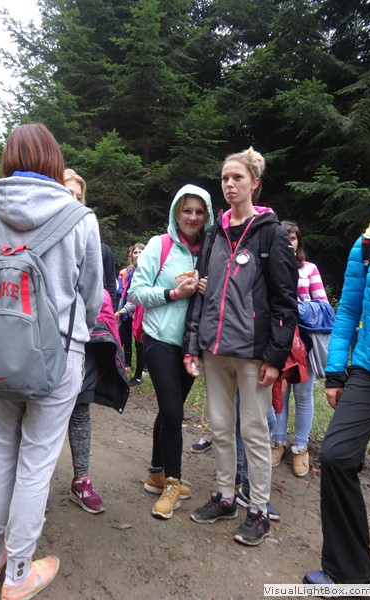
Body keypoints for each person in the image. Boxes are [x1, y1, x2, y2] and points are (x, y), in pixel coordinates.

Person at [0, 123, 103, 599]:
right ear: (53, 160)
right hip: (58, 355)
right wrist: (76, 328)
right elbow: (91, 295)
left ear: (9, 159)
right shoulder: (80, 218)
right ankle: (19, 573)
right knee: (36, 461)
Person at [183, 147, 298, 546]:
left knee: (253, 430)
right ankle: (225, 496)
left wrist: (275, 357)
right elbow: (202, 292)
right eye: (225, 179)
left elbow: (285, 301)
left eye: (237, 178)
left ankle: (259, 510)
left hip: (253, 354)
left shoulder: (271, 234)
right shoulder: (214, 232)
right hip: (214, 350)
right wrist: (193, 343)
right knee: (219, 427)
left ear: (255, 184)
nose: (229, 185)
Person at [128, 183, 214, 519]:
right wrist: (174, 293)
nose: (192, 217)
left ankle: (156, 472)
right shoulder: (159, 245)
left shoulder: (210, 250)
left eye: (199, 212)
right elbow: (136, 292)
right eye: (186, 211)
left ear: (207, 215)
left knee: (169, 410)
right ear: (176, 212)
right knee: (174, 412)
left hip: (192, 343)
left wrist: (207, 287)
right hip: (159, 338)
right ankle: (173, 484)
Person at [304, 219, 370, 592]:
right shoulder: (368, 243)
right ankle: (351, 570)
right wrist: (335, 373)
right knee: (335, 456)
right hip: (368, 370)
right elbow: (348, 310)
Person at [63, 170, 121, 514]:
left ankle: (81, 479)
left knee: (80, 408)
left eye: (78, 196)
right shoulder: (42, 236)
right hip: (47, 341)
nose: (72, 200)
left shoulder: (99, 246)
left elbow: (106, 291)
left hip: (85, 338)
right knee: (38, 411)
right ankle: (33, 484)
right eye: (66, 192)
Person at [271, 220, 329, 477]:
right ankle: (278, 442)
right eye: (284, 238)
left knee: (303, 395)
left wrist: (295, 304)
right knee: (280, 394)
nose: (289, 243)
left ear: (298, 242)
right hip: (278, 340)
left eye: (293, 238)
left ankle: (300, 447)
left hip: (304, 342)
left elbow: (323, 305)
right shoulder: (270, 267)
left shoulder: (309, 269)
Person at [64, 169, 117, 309]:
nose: (74, 200)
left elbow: (95, 283)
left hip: (75, 313)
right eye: (69, 192)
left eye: (78, 197)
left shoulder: (96, 242)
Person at [115, 243, 146, 387]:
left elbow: (137, 297)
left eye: (141, 252)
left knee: (140, 343)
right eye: (135, 252)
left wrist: (123, 310)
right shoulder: (130, 272)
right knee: (120, 338)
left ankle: (139, 376)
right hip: (130, 311)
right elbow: (127, 294)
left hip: (142, 312)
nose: (137, 255)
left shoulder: (145, 271)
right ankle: (119, 368)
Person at [117, 246, 134, 368]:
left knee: (139, 339)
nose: (132, 258)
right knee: (124, 335)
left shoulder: (142, 270)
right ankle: (126, 363)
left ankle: (143, 367)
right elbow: (119, 290)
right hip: (125, 306)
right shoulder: (123, 272)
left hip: (137, 308)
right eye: (130, 256)